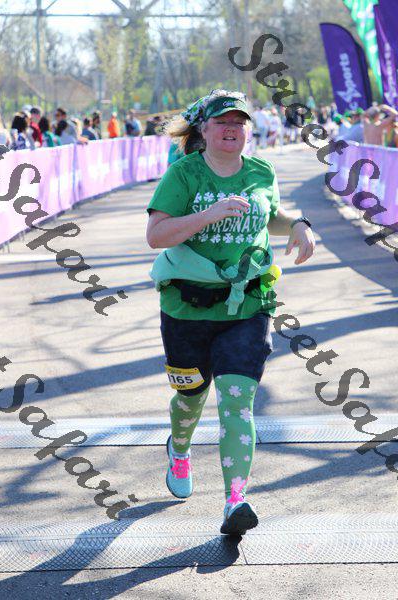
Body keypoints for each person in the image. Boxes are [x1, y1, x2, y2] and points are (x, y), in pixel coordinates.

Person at [146, 88, 315, 536]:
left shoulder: (261, 171)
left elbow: (268, 214)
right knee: (191, 396)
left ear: (248, 131)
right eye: (222, 121)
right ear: (204, 129)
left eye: (239, 122)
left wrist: (298, 224)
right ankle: (179, 450)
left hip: (247, 304)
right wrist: (210, 214)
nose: (231, 129)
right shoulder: (184, 174)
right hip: (186, 306)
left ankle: (235, 500)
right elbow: (157, 235)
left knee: (237, 401)